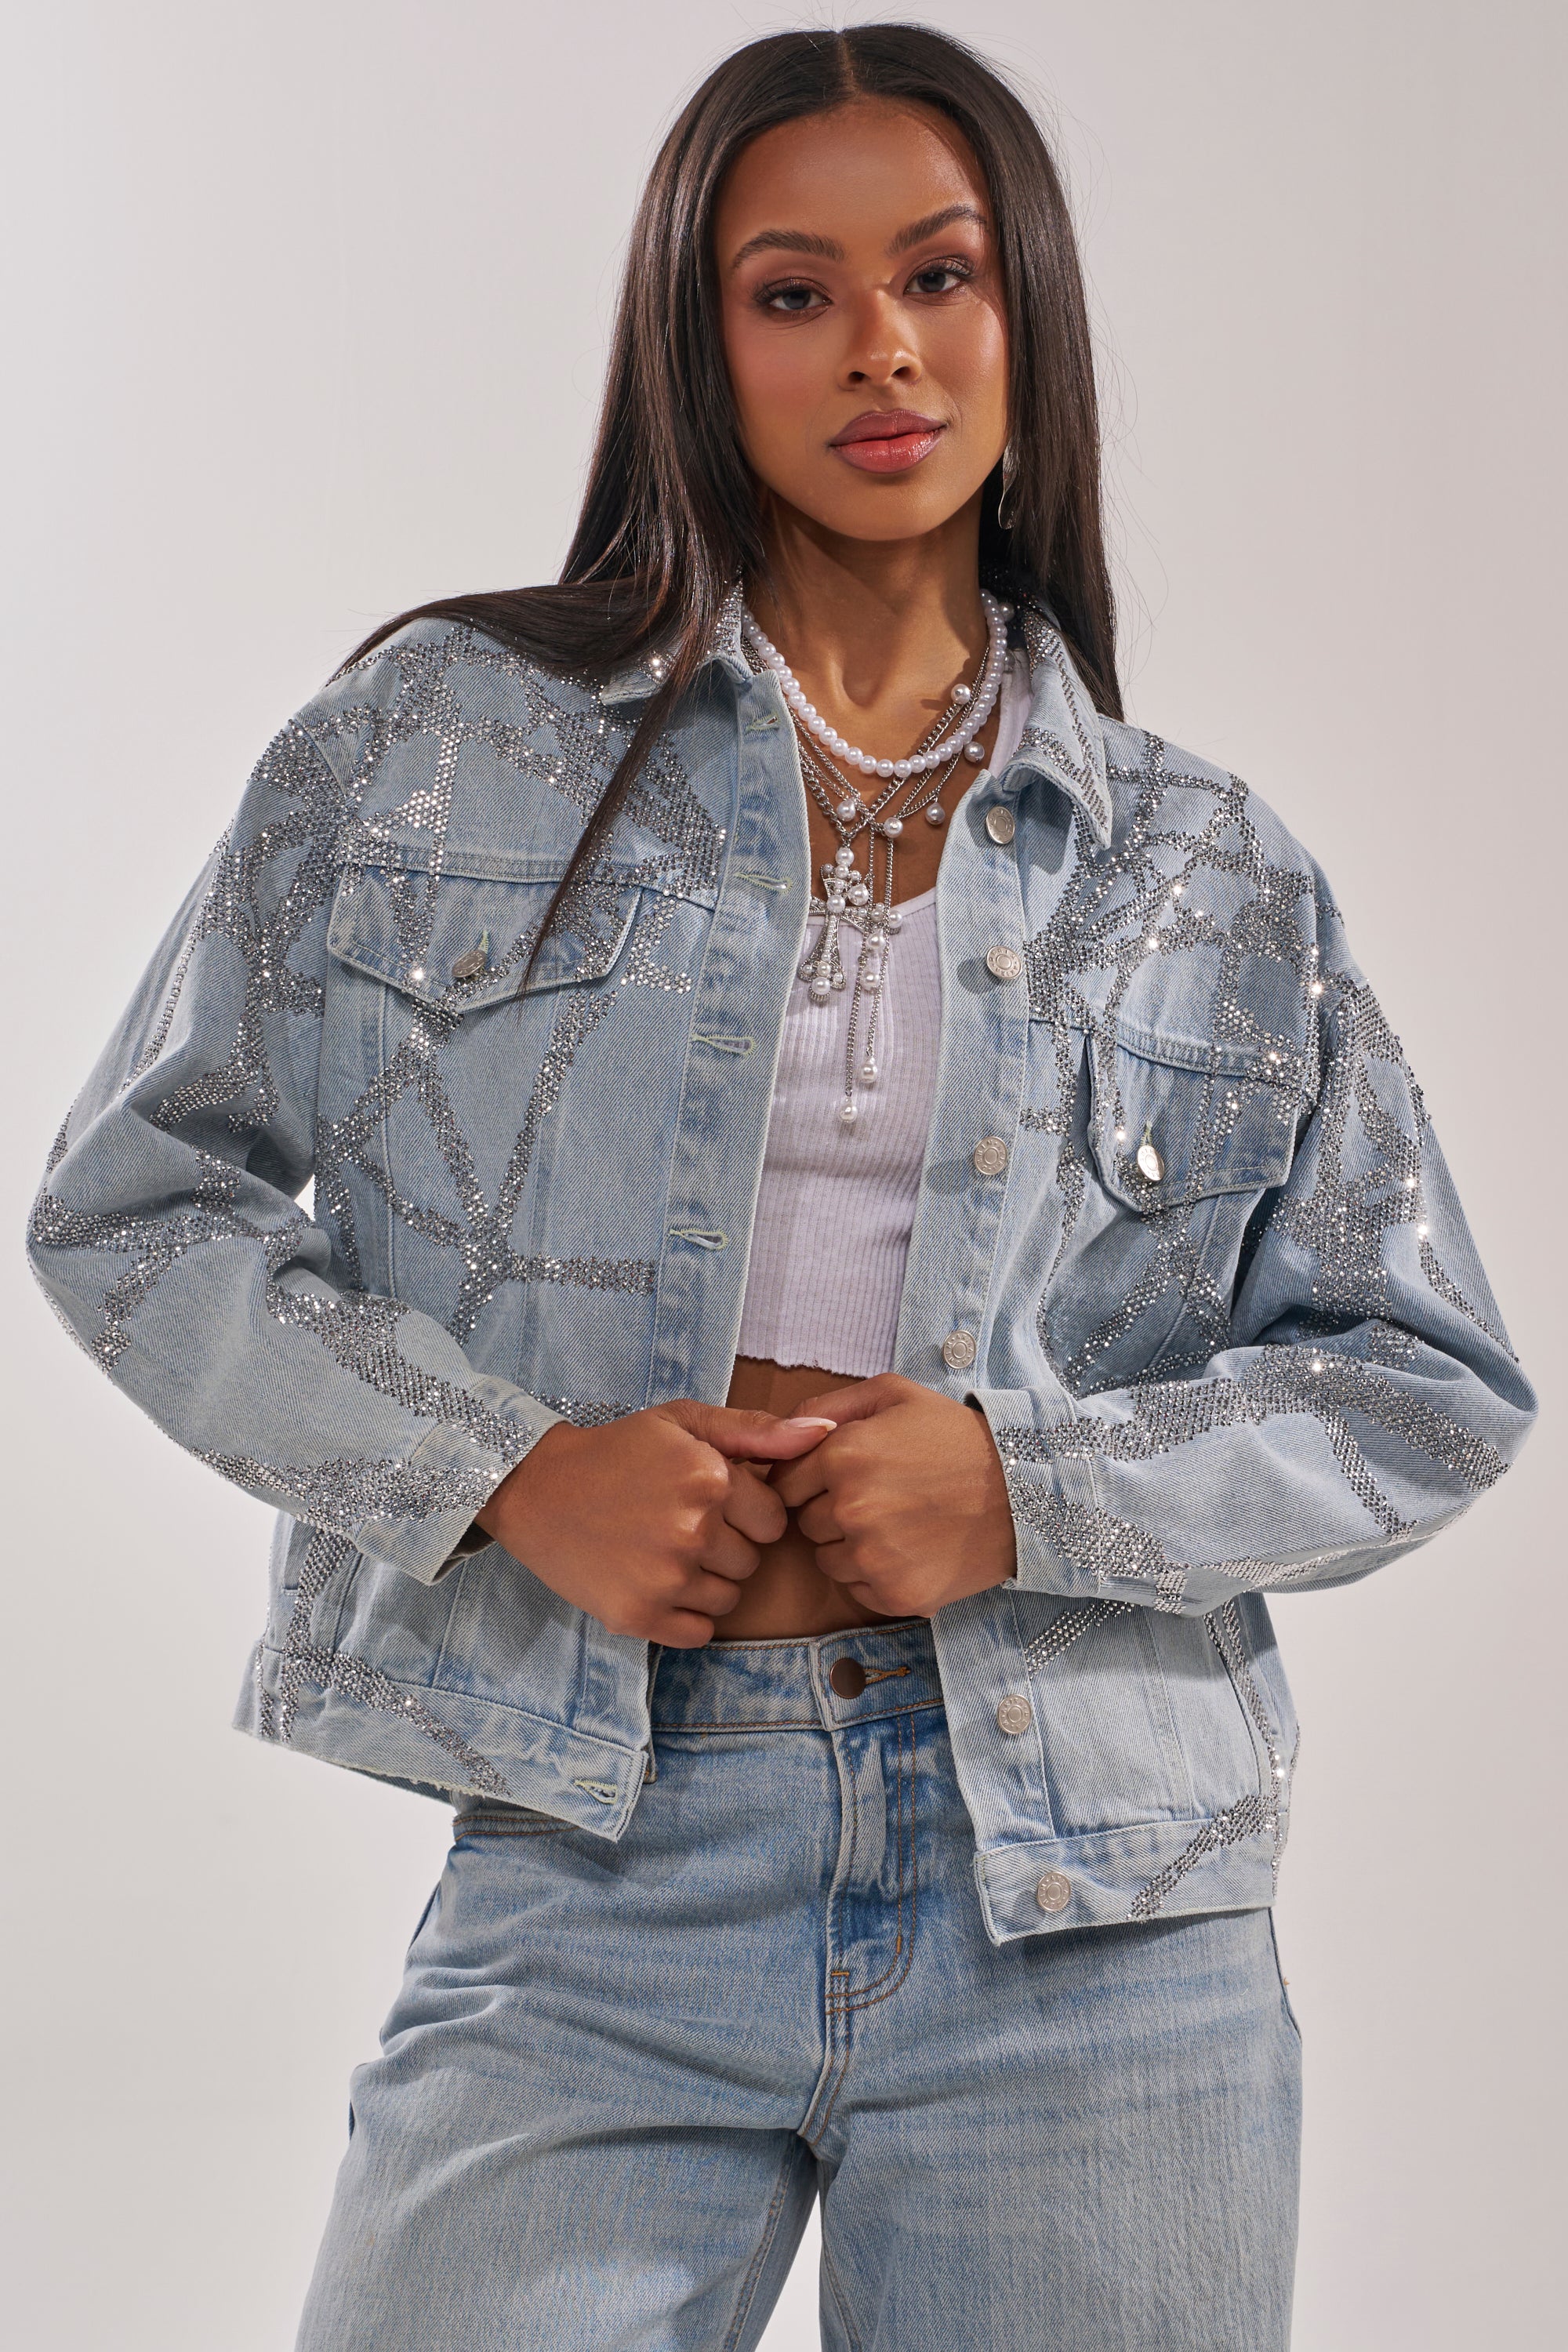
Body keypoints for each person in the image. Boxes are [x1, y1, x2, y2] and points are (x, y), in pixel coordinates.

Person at [27, 23, 1535, 2352]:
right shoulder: (431, 751)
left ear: (1025, 309)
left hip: (1099, 1893)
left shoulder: (1210, 871)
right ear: (691, 337)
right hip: (601, 1844)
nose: (888, 349)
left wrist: (1029, 1491)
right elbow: (139, 1204)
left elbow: (1423, 1379)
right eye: (793, 291)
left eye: (941, 275)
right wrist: (508, 1471)